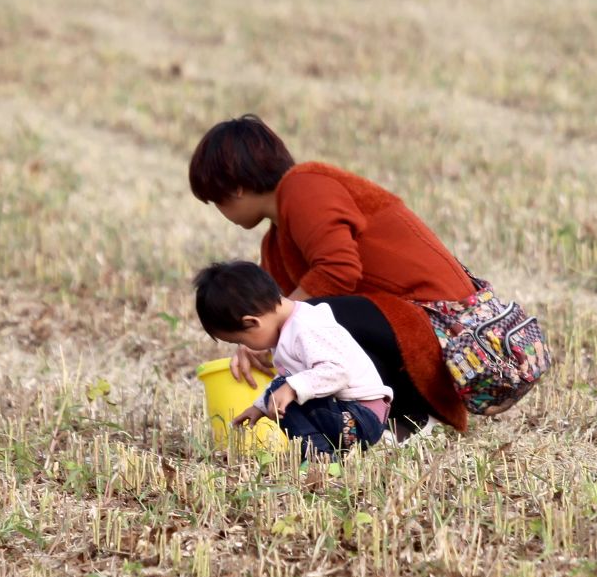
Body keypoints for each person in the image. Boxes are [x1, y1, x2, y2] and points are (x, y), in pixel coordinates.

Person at [189, 115, 483, 437]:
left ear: (237, 188)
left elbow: (337, 271)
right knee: (304, 326)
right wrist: (258, 342)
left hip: (442, 330)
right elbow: (274, 315)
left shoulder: (305, 189)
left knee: (315, 317)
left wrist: (275, 327)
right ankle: (356, 424)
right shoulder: (274, 243)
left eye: (216, 200)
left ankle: (406, 415)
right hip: (400, 328)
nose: (219, 210)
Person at [194, 261, 393, 461]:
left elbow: (338, 372)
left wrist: (289, 388)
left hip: (360, 418)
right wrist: (260, 407)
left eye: (239, 340)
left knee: (285, 389)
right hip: (348, 413)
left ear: (252, 322)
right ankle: (319, 454)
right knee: (282, 389)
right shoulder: (288, 328)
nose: (243, 347)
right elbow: (289, 379)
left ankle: (319, 457)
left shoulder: (306, 327)